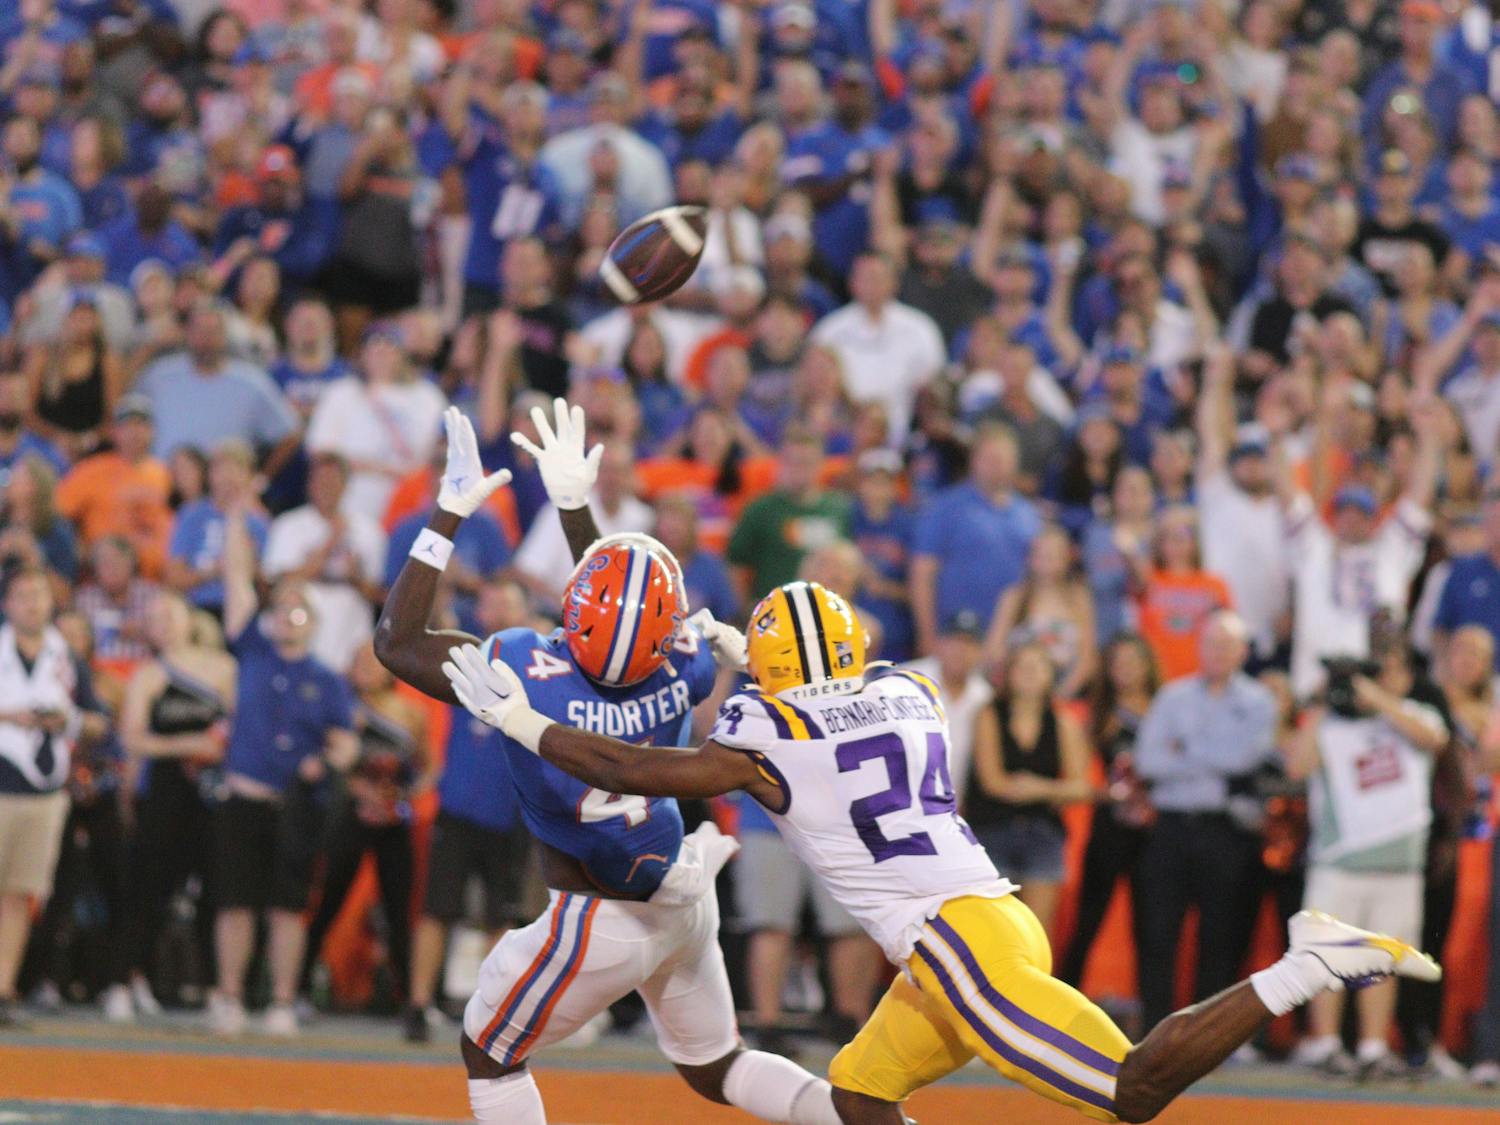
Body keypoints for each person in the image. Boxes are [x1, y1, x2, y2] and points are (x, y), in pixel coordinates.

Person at [443, 582, 1442, 1125]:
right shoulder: (909, 689)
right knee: (860, 1099)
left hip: (959, 949)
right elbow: (828, 692)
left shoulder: (767, 735)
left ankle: (1300, 964)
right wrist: (761, 658)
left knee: (1130, 1093)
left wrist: (526, 724)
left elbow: (638, 767)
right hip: (980, 919)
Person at [375, 402, 846, 1125]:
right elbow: (626, 619)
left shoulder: (521, 667)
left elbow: (398, 643)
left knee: (489, 1053)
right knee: (719, 1065)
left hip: (596, 917)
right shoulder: (682, 665)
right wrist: (574, 509)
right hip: (682, 891)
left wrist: (446, 514)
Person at [209, 499, 358, 1038]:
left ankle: (280, 998)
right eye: (281, 608)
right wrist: (234, 517)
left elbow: (346, 744)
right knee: (235, 903)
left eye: (299, 610)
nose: (287, 617)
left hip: (294, 807)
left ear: (313, 623)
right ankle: (228, 994)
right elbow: (237, 581)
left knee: (287, 907)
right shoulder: (253, 651)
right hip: (245, 796)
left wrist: (325, 762)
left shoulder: (327, 678)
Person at [1287, 640, 1448, 1078]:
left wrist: (1377, 698)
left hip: (1398, 864)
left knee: (1382, 962)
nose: (1378, 682)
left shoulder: (1419, 715)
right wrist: (1321, 703)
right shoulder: (1332, 726)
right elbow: (1297, 768)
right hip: (1339, 859)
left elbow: (1432, 738)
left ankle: (1373, 1048)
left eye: (1389, 672)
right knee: (1325, 957)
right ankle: (1325, 1044)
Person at [1132, 612, 1281, 1032]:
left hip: (1225, 831)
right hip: (1171, 828)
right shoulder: (1173, 696)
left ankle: (1206, 1035)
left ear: (1243, 652)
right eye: (1210, 643)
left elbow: (1245, 759)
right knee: (1158, 932)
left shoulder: (1258, 701)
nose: (1216, 652)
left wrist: (1184, 749)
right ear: (1199, 647)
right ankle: (1155, 1033)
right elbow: (1149, 761)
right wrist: (1212, 757)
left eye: (1226, 644)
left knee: (1221, 935)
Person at [117, 589, 235, 1020]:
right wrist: (190, 744)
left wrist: (213, 746)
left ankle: (218, 988)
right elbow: (132, 738)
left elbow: (237, 723)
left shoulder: (223, 667)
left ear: (189, 619)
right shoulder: (146, 675)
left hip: (213, 790)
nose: (162, 623)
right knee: (151, 885)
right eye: (153, 617)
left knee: (218, 889)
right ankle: (131, 978)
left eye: (169, 614)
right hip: (165, 791)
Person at [299, 643, 427, 1015]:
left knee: (399, 911)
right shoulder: (339, 707)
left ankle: (410, 999)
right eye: (359, 662)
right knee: (327, 902)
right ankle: (300, 985)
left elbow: (425, 767)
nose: (367, 668)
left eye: (374, 662)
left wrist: (398, 796)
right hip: (346, 816)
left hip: (392, 821)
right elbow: (328, 755)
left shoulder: (410, 713)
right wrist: (358, 789)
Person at [0, 568, 90, 1026]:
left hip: (44, 789)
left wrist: (66, 720)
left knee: (19, 892)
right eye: (22, 595)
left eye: (39, 595)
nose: (32, 603)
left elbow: (96, 718)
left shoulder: (66, 657)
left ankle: (2, 988)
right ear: (7, 603)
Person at [967, 643, 1094, 936]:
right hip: (992, 830)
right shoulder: (988, 715)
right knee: (991, 931)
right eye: (1022, 666)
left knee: (1036, 934)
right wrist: (1053, 791)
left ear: (1051, 676)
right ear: (1008, 674)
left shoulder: (1063, 721)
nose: (1030, 674)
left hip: (1042, 833)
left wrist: (1036, 787)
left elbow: (1082, 787)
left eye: (1038, 666)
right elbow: (993, 782)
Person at [1059, 634, 1161, 989]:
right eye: (1117, 662)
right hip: (1111, 827)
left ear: (1148, 665)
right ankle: (1063, 1005)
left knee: (1153, 929)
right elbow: (1078, 772)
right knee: (1087, 921)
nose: (1126, 670)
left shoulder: (1167, 708)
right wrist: (1106, 793)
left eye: (1133, 661)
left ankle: (1154, 1021)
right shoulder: (1100, 715)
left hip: (1156, 830)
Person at [910, 423, 1042, 657]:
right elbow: (922, 573)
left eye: (1004, 459)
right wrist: (927, 635)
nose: (997, 466)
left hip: (1008, 643)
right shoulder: (946, 507)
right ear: (974, 461)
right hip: (952, 637)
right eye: (990, 459)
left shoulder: (1029, 515)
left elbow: (1035, 581)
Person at [263, 451, 385, 674]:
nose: (326, 487)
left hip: (351, 631)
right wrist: (330, 543)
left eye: (333, 481)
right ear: (309, 484)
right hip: (303, 629)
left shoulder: (368, 531)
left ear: (346, 486)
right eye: (320, 480)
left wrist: (355, 578)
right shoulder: (289, 525)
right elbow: (276, 584)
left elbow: (381, 595)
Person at [726, 424, 848, 603]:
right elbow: (735, 565)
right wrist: (746, 610)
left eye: (807, 462)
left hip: (826, 610)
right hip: (776, 613)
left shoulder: (837, 509)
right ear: (780, 463)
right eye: (793, 462)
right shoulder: (759, 510)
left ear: (821, 463)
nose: (799, 470)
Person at [983, 523, 1098, 699]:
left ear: (1067, 558)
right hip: (1018, 690)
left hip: (1065, 691)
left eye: (1054, 554)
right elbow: (994, 651)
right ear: (1030, 557)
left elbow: (1087, 659)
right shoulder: (1014, 597)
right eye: (1041, 553)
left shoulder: (1079, 598)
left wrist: (1060, 697)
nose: (1047, 559)